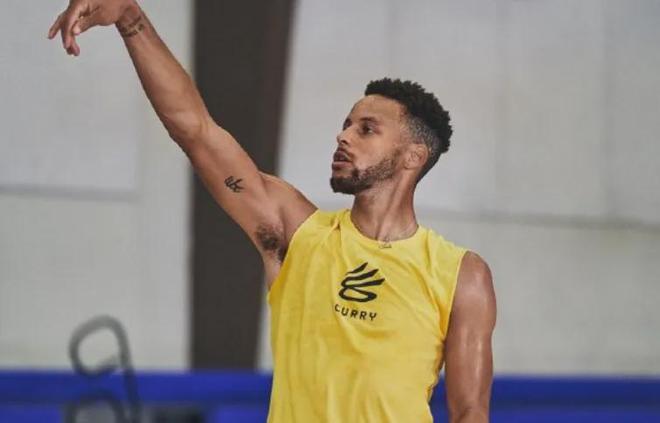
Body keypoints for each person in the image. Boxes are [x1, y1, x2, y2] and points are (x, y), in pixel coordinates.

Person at [48, 1, 497, 421]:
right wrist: (130, 18)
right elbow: (197, 131)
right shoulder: (296, 233)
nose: (343, 136)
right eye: (345, 125)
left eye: (366, 129)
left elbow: (470, 413)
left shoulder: (461, 275)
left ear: (413, 157)